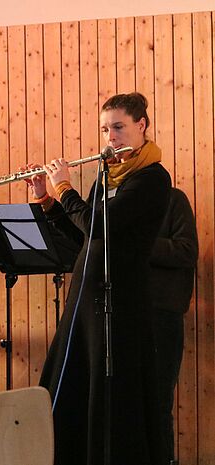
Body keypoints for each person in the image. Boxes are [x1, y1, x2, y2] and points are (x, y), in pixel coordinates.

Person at [28, 92, 170, 465]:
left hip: (119, 303)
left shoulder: (153, 179)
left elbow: (96, 222)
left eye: (119, 127)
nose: (111, 137)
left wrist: (64, 188)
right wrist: (48, 201)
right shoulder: (107, 175)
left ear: (141, 126)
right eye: (106, 129)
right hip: (86, 304)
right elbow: (83, 237)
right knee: (74, 388)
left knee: (115, 394)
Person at [149, 187, 198, 465]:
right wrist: (48, 202)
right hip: (119, 314)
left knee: (156, 404)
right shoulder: (110, 198)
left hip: (160, 316)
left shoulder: (171, 198)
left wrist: (139, 241)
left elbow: (186, 250)